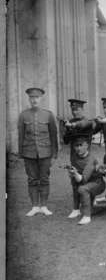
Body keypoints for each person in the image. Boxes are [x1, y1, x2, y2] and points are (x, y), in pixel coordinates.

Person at [18, 87, 58, 217]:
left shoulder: (48, 114)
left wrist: (54, 153)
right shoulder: (24, 115)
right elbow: (21, 135)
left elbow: (53, 135)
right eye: (32, 97)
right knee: (32, 179)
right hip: (29, 152)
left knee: (44, 179)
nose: (34, 100)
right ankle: (35, 206)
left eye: (37, 97)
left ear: (41, 99)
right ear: (29, 99)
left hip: (45, 152)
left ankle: (44, 206)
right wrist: (21, 152)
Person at [67, 133, 105, 225]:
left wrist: (75, 174)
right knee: (74, 182)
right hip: (86, 181)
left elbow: (82, 179)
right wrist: (71, 173)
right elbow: (76, 176)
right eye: (76, 146)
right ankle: (76, 209)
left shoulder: (91, 159)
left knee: (82, 189)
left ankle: (87, 216)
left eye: (81, 145)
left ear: (87, 146)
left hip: (97, 183)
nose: (78, 148)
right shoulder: (74, 157)